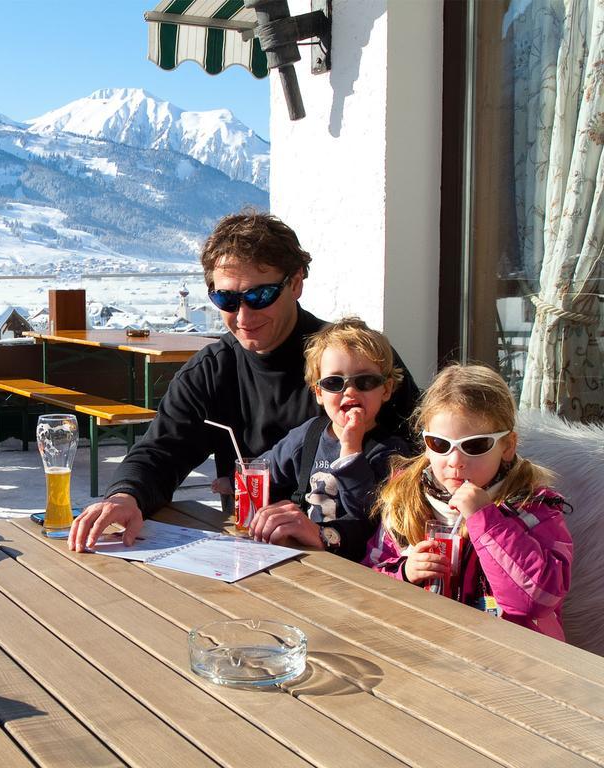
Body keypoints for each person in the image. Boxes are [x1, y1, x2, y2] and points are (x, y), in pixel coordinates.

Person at [69, 211, 421, 552]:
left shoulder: (356, 365)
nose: (243, 315)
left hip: (360, 563)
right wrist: (124, 496)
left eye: (259, 296)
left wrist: (328, 534)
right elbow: (160, 453)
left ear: (296, 283)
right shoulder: (212, 370)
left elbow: (427, 465)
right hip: (247, 550)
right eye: (226, 299)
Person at [363, 364, 572, 640]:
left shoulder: (533, 508)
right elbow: (370, 579)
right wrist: (405, 572)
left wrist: (486, 519)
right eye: (440, 444)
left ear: (507, 446)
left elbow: (537, 600)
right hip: (429, 646)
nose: (455, 461)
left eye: (474, 446)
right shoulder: (406, 500)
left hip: (513, 657)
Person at [244, 317, 411, 560]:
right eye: (334, 382)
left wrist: (351, 450)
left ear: (386, 390)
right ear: (319, 393)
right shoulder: (310, 434)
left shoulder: (391, 451)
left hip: (357, 564)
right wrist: (241, 479)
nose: (350, 391)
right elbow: (266, 469)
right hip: (306, 556)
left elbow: (368, 517)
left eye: (364, 381)